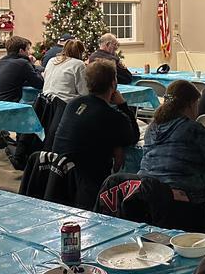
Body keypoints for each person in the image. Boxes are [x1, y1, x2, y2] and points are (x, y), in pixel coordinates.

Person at [52, 60, 139, 207]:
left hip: (58, 177)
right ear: (113, 83)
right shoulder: (113, 116)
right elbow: (133, 137)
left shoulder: (73, 104)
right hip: (90, 184)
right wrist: (123, 105)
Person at [139, 80, 205, 197]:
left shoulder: (152, 127)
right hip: (182, 192)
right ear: (191, 104)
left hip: (147, 188)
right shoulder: (193, 128)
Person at [0, 35, 44, 103]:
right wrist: (32, 65)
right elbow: (39, 84)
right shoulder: (23, 63)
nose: (29, 52)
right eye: (28, 49)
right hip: (7, 105)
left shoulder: (0, 61)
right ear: (21, 51)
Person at [42, 39, 88, 104]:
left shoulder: (52, 61)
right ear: (81, 52)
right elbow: (84, 92)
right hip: (65, 105)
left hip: (45, 102)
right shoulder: (78, 64)